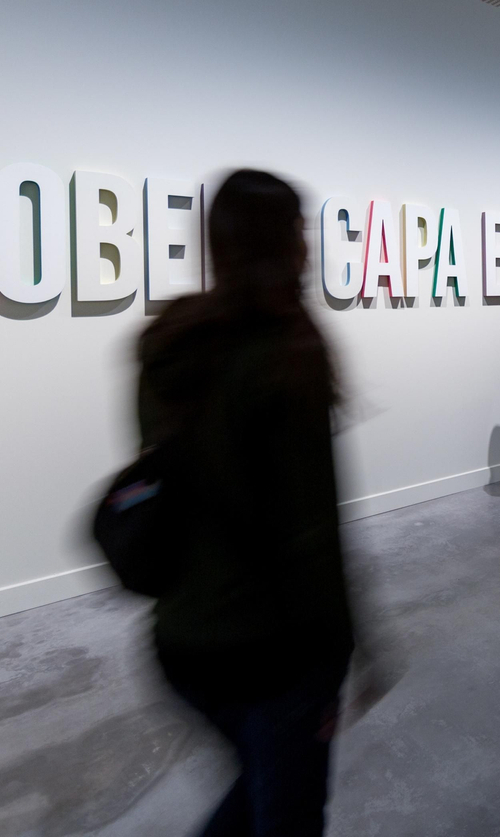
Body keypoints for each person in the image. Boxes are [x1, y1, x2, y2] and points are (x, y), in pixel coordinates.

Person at [138, 169, 354, 836]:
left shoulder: (169, 341)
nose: (308, 246)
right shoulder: (290, 349)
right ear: (283, 242)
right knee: (284, 813)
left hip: (180, 639)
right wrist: (337, 655)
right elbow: (313, 527)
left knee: (257, 790)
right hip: (270, 648)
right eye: (299, 230)